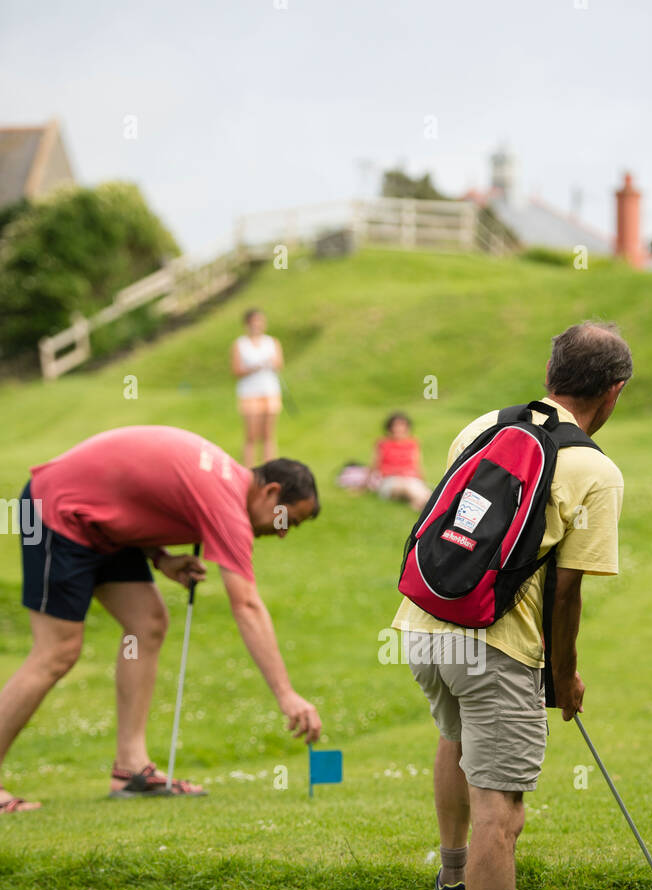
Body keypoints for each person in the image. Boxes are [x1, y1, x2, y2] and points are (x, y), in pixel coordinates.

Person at [391, 322, 632, 890]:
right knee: (504, 811)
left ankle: (450, 880)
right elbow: (564, 590)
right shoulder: (595, 471)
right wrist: (562, 675)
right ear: (612, 391)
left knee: (456, 743)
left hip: (422, 628)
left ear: (551, 371)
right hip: (497, 650)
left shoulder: (482, 425)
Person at [0, 425, 322, 812]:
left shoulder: (224, 483)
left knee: (148, 622)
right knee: (58, 650)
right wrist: (286, 695)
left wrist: (160, 558)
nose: (284, 532)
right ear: (271, 492)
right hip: (53, 509)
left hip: (98, 522)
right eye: (289, 519)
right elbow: (247, 605)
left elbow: (130, 494)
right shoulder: (227, 502)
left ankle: (131, 770)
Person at [231, 309, 284, 468]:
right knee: (251, 435)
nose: (258, 325)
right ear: (247, 324)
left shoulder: (272, 342)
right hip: (249, 393)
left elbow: (279, 364)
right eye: (254, 321)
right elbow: (236, 370)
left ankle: (270, 468)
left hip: (269, 391)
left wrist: (269, 363)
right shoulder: (240, 344)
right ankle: (249, 470)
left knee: (269, 434)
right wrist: (255, 367)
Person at [368, 413, 430, 512]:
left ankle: (420, 503)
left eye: (402, 425)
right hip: (390, 480)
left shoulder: (413, 443)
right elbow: (374, 465)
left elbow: (417, 465)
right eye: (395, 426)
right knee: (405, 487)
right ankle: (422, 504)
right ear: (390, 428)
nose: (399, 429)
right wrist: (366, 484)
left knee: (421, 489)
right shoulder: (383, 443)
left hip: (410, 478)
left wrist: (422, 481)